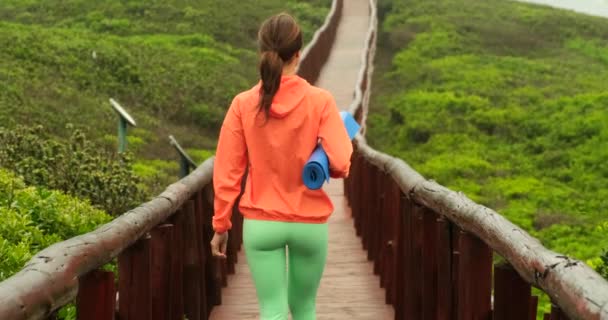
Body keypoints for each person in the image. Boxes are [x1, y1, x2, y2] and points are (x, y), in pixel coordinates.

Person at [210, 12, 353, 320]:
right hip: (309, 223)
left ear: (263, 53)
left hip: (262, 224)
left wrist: (221, 224)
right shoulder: (321, 102)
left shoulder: (242, 104)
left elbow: (227, 171)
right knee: (304, 309)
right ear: (298, 54)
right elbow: (341, 162)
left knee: (272, 311)